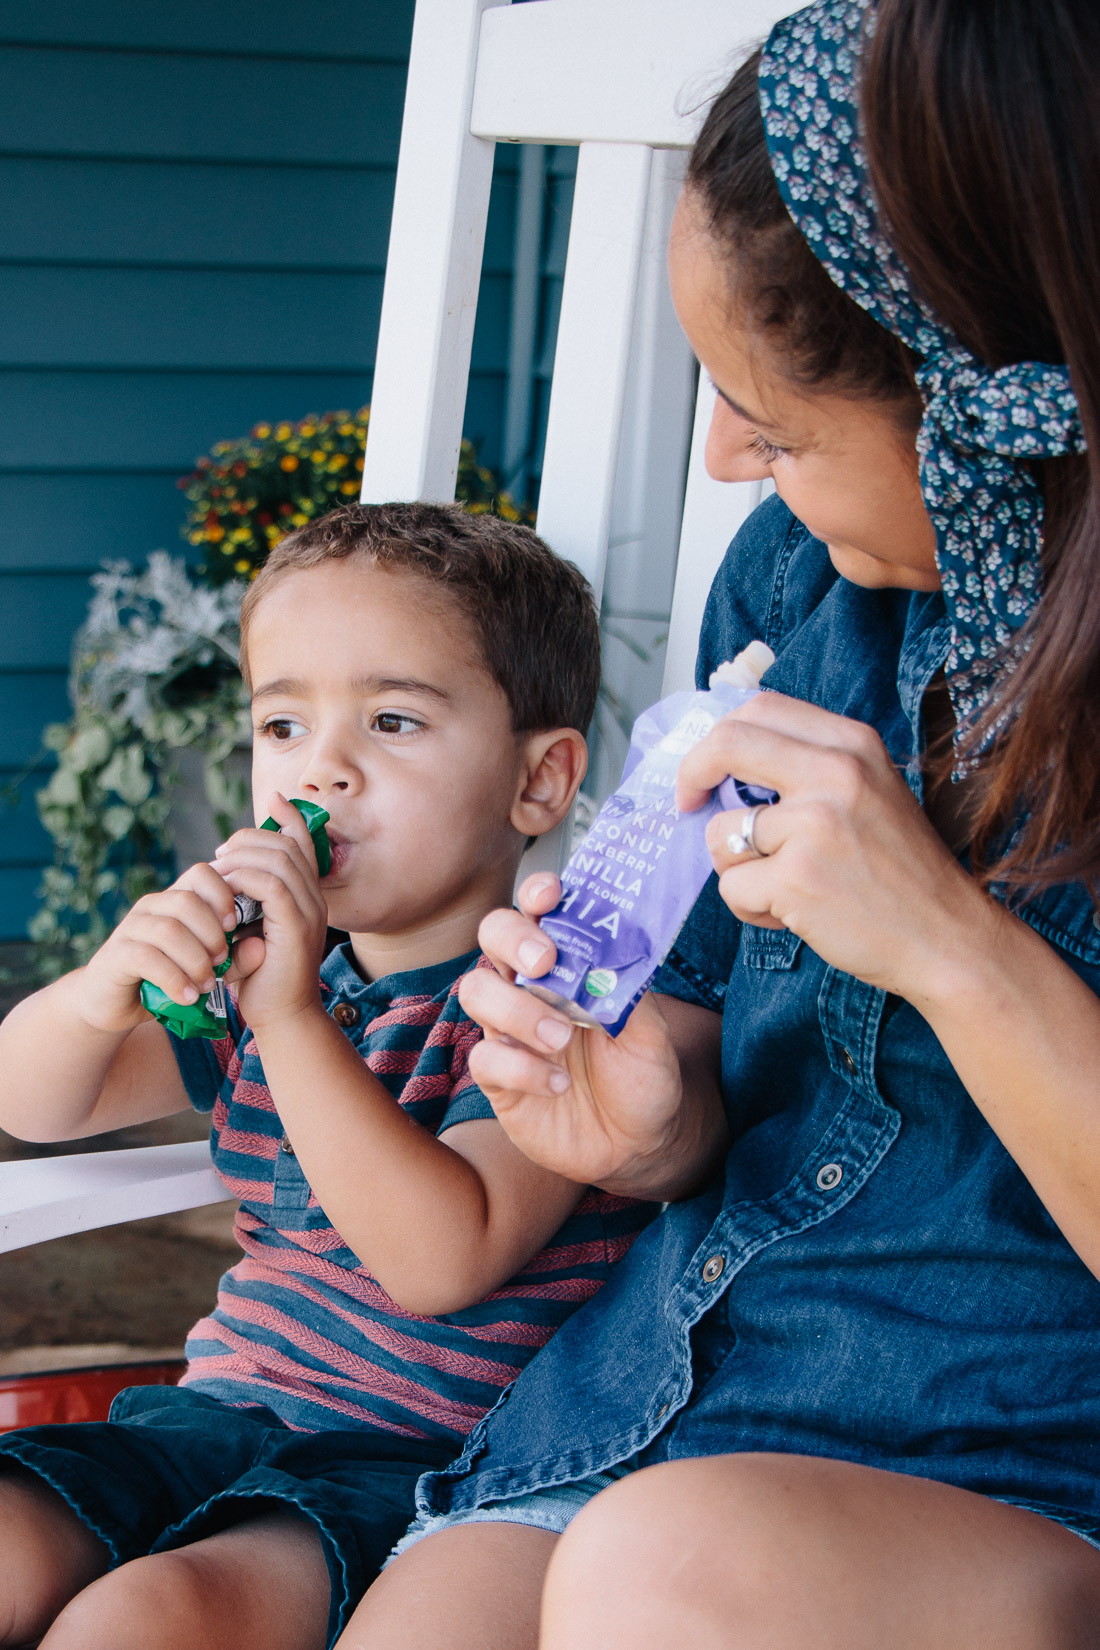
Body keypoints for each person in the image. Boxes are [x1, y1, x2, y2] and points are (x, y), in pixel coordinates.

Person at [338, 2, 1100, 1646]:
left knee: (667, 1573)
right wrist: (648, 1118)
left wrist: (952, 946)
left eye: (783, 423)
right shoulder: (801, 590)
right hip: (674, 1386)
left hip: (1022, 1469)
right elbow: (700, 1031)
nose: (724, 456)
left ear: (987, 405)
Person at [0, 501, 654, 1650]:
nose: (325, 771)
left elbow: (440, 1258)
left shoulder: (540, 1002)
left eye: (391, 721)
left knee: (145, 1620)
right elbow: (38, 1105)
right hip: (208, 1418)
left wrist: (292, 1014)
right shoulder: (264, 977)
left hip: (404, 1472)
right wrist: (104, 985)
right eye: (283, 726)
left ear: (538, 784)